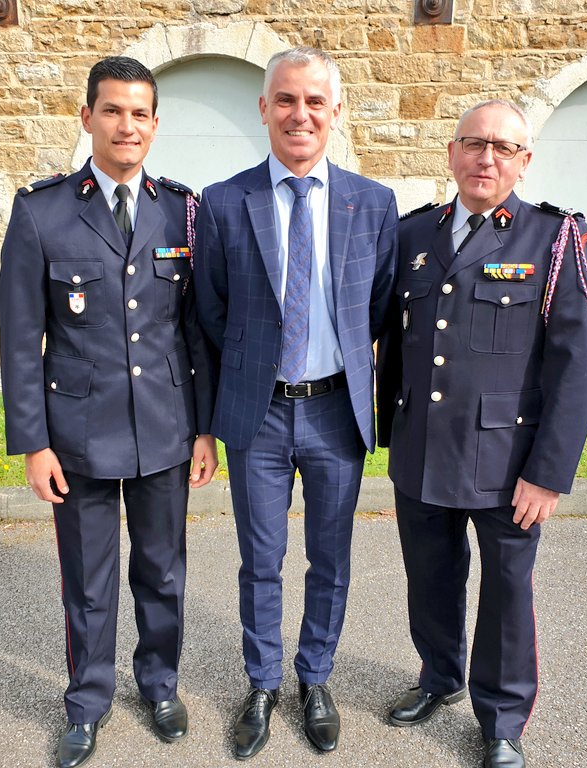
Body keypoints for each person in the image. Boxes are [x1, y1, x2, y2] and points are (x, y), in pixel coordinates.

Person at [0, 56, 217, 768]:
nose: (128, 125)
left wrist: (205, 427)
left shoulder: (184, 210)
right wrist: (33, 443)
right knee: (88, 582)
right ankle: (86, 702)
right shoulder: (41, 211)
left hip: (164, 430)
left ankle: (158, 685)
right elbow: (20, 338)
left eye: (141, 113)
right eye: (114, 111)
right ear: (87, 116)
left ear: (155, 125)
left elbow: (197, 331)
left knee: (162, 572)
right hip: (78, 435)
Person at [376, 99, 587, 768]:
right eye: (474, 144)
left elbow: (578, 364)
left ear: (524, 163)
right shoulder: (414, 234)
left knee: (506, 593)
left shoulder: (556, 238)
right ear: (451, 153)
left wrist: (549, 470)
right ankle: (440, 677)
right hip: (422, 447)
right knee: (430, 578)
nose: (486, 158)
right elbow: (397, 336)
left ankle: (502, 718)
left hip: (508, 463)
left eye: (504, 148)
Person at [193, 46, 398, 759]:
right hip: (259, 414)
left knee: (331, 559)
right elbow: (210, 318)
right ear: (263, 109)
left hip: (336, 414)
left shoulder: (372, 204)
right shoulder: (222, 202)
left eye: (314, 101)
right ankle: (262, 682)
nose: (299, 114)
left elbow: (374, 312)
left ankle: (315, 677)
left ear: (336, 111)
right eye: (285, 99)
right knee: (261, 558)